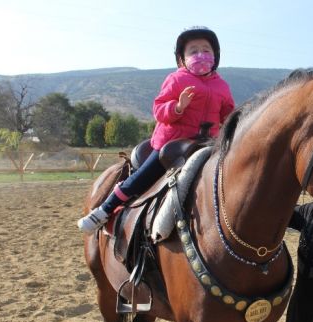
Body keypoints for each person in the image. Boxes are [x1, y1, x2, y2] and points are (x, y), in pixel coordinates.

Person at [78, 26, 235, 233]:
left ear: (215, 56)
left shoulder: (221, 86)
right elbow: (159, 110)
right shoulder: (176, 79)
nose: (201, 55)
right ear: (182, 59)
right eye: (193, 51)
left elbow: (228, 114)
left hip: (207, 144)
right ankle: (103, 211)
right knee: (142, 178)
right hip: (171, 145)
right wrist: (178, 107)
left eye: (206, 50)